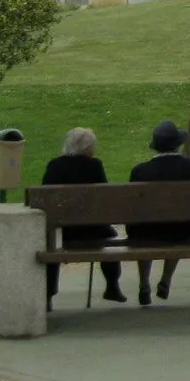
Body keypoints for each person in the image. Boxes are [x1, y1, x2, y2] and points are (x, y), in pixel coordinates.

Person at [40, 127, 124, 306]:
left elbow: (45, 199)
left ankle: (47, 295)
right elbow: (104, 197)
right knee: (110, 238)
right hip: (92, 229)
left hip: (63, 229)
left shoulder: (54, 165)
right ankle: (112, 285)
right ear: (87, 148)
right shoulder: (94, 165)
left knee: (51, 243)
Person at [127, 119, 190, 305]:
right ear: (177, 144)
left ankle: (144, 283)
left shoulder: (140, 171)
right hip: (183, 230)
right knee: (178, 222)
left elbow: (133, 207)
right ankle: (166, 279)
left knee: (142, 230)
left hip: (146, 232)